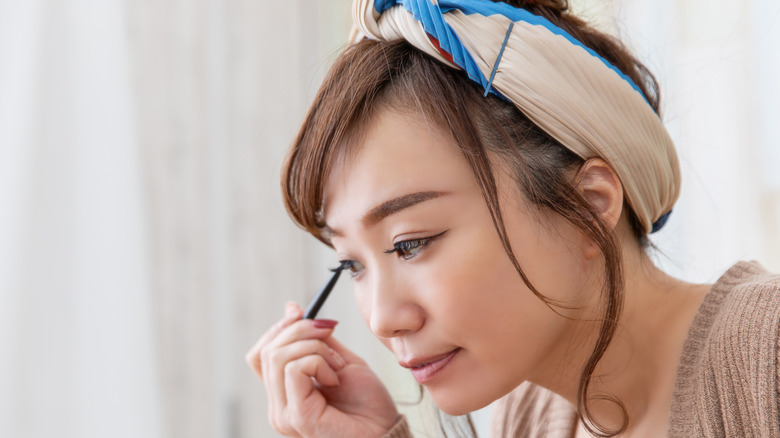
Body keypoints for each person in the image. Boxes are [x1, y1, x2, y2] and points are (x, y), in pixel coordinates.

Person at [245, 0, 780, 436]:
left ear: (590, 208)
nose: (382, 319)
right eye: (352, 265)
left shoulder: (765, 356)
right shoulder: (528, 418)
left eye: (411, 243)